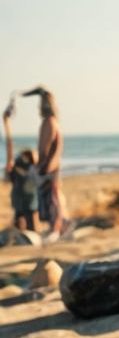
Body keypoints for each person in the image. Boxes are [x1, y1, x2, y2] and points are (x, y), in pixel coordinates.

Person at [19, 87, 64, 236]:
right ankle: (55, 228)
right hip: (51, 168)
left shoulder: (49, 123)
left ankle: (55, 228)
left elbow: (44, 149)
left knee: (51, 200)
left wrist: (40, 167)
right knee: (53, 199)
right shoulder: (53, 122)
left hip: (47, 169)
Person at [3, 96, 39, 233]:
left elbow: (10, 148)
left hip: (28, 200)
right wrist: (6, 122)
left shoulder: (30, 166)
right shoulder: (19, 167)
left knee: (31, 221)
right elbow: (10, 148)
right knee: (22, 221)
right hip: (22, 200)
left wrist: (6, 122)